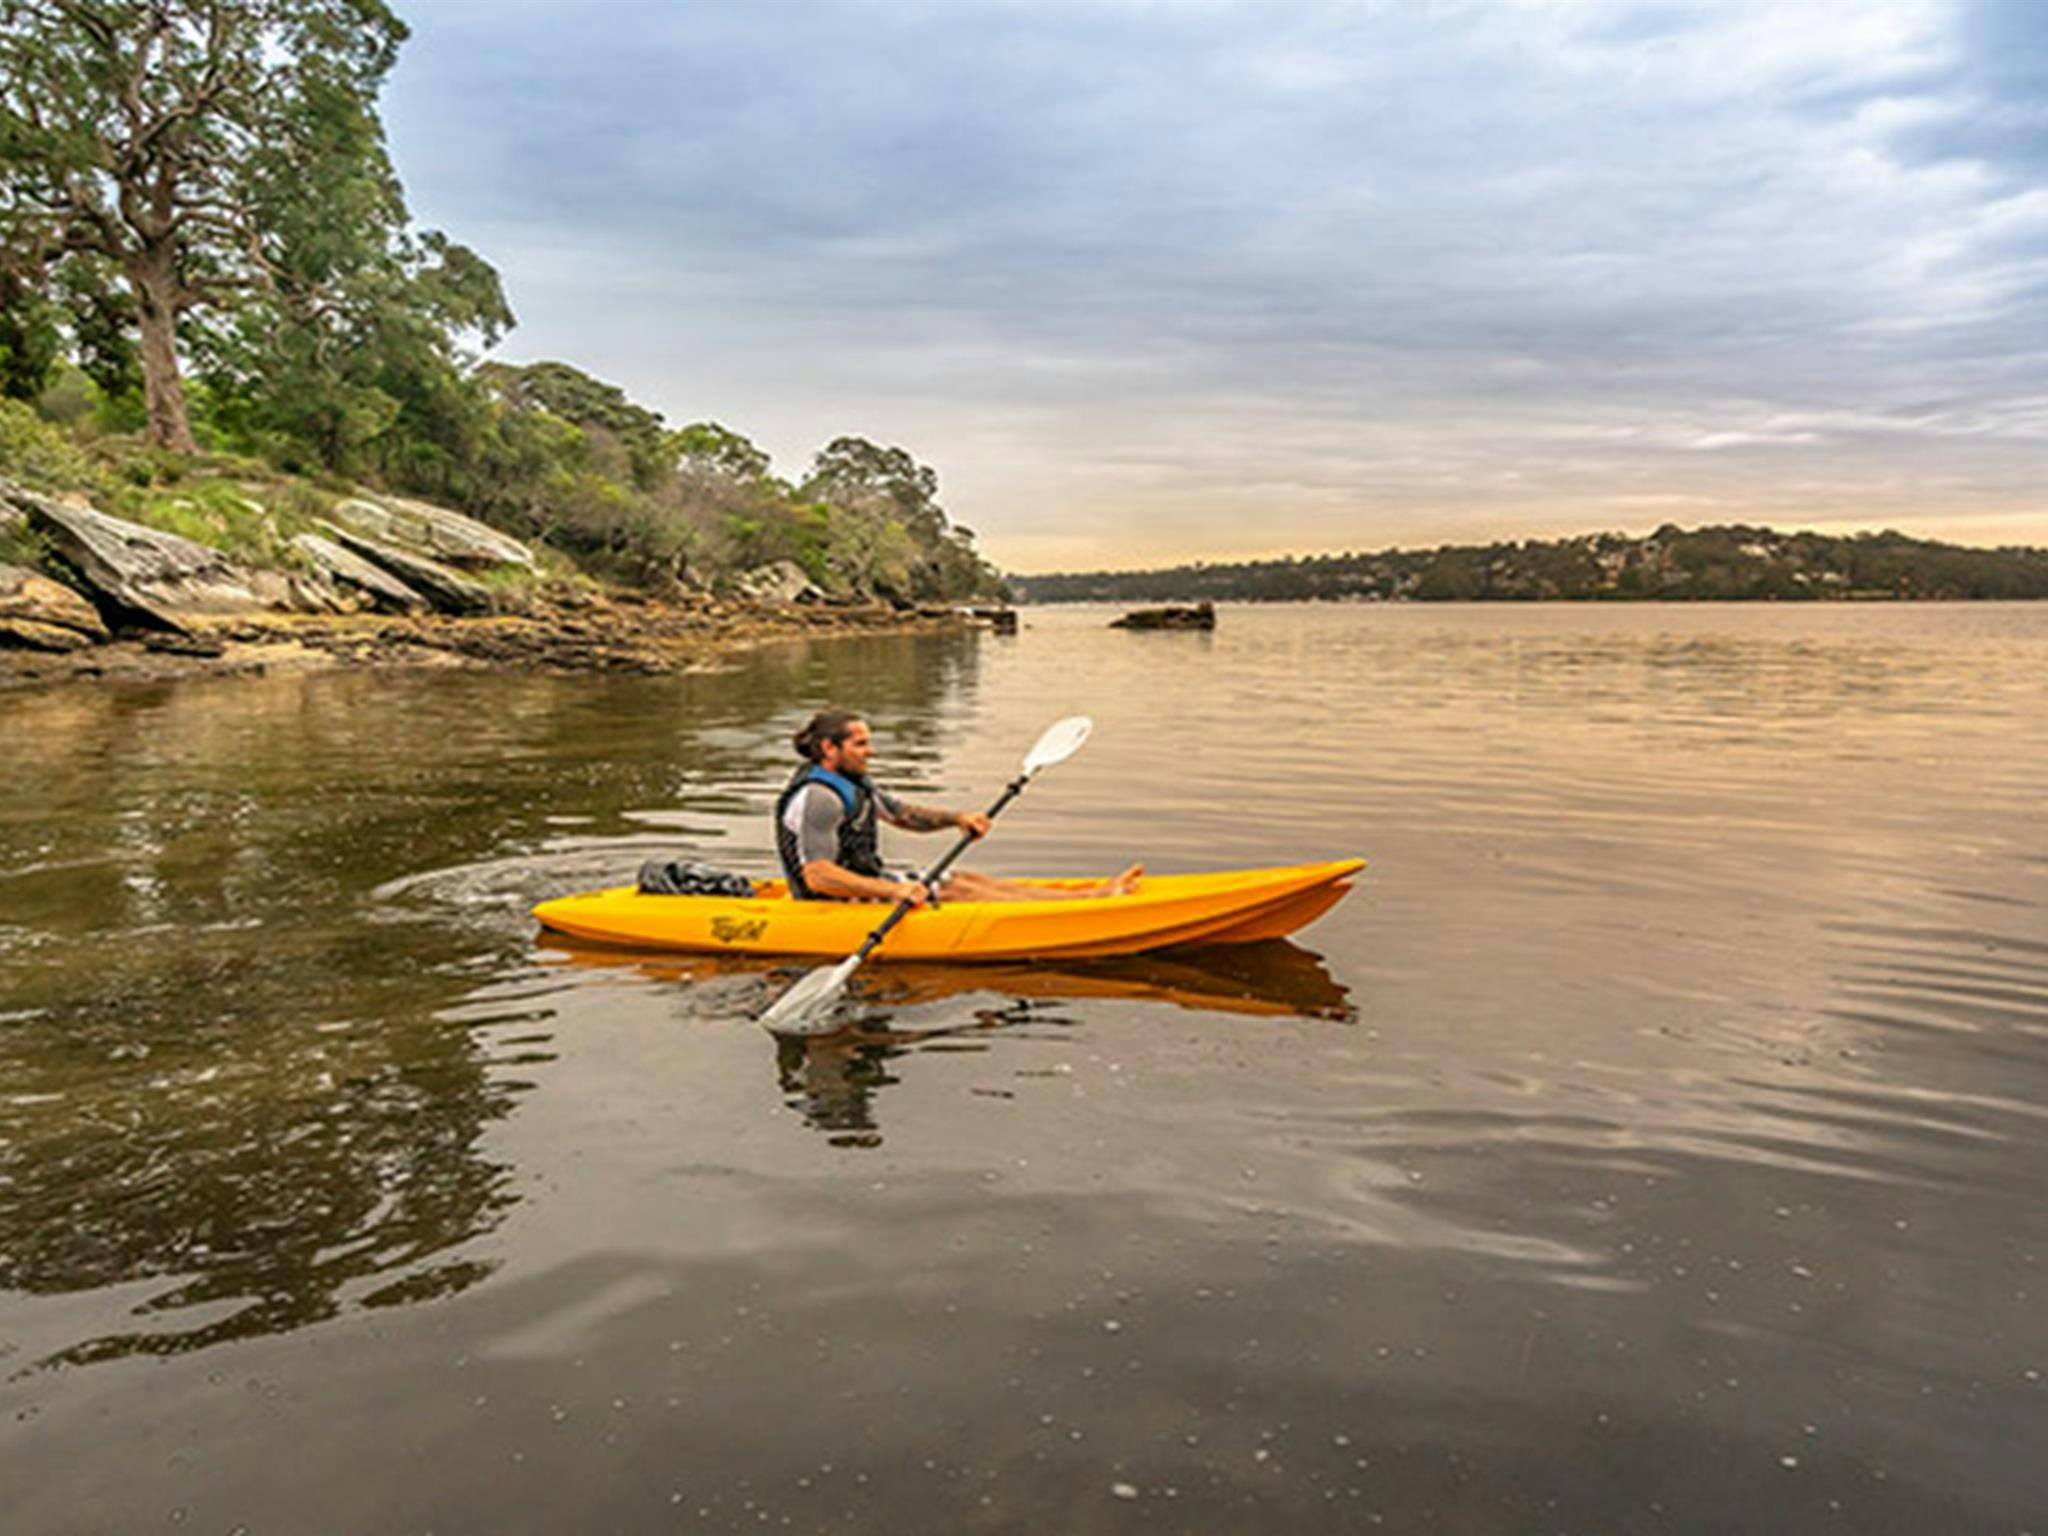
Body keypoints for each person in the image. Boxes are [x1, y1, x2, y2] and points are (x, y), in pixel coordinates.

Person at [774, 709, 1142, 905]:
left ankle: (1084, 898)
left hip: (865, 885)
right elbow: (818, 877)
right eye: (860, 744)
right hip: (829, 903)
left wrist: (958, 820)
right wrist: (893, 891)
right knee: (955, 892)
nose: (871, 751)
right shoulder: (818, 798)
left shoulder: (854, 783)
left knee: (965, 879)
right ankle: (1086, 905)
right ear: (828, 748)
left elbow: (903, 816)